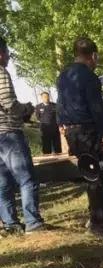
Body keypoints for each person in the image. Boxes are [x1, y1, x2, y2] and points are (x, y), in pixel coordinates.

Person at [57, 37, 103, 236]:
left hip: (71, 132)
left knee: (89, 173)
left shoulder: (63, 75)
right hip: (88, 131)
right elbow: (97, 110)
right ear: (93, 56)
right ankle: (98, 225)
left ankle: (94, 218)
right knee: (100, 176)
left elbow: (60, 105)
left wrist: (62, 125)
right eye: (97, 57)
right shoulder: (89, 77)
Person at [0, 37, 45, 235]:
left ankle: (11, 223)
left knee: (2, 183)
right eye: (8, 52)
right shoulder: (1, 73)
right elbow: (10, 105)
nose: (9, 57)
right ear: (1, 53)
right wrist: (27, 108)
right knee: (27, 178)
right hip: (9, 134)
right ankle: (33, 222)